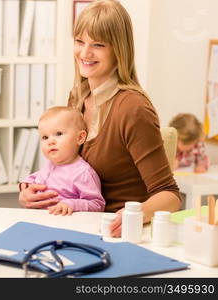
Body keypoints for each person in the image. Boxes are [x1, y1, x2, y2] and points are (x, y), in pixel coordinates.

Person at [18, 0, 181, 237]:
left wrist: (136, 214)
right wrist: (28, 190)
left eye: (98, 44)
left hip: (117, 233)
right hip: (74, 224)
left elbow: (170, 195)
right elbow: (67, 164)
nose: (85, 53)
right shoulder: (78, 97)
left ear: (118, 49)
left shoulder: (133, 108)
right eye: (79, 41)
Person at [20, 106, 105, 216]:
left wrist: (71, 204)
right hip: (39, 219)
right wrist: (27, 183)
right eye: (45, 137)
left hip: (64, 222)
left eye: (59, 134)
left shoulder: (82, 173)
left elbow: (97, 204)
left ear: (79, 138)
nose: (50, 141)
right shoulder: (50, 164)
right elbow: (40, 176)